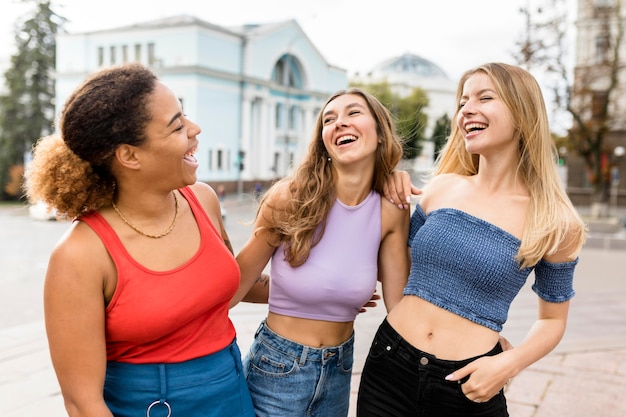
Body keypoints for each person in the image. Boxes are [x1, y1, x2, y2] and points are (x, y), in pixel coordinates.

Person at [357, 62, 588, 416]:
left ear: (523, 113)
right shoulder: (441, 188)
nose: (467, 109)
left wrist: (509, 364)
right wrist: (386, 188)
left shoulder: (555, 220)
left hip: (470, 384)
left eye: (485, 97)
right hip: (389, 366)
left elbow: (553, 320)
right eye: (463, 101)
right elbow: (393, 266)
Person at [24, 63, 254, 417]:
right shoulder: (80, 255)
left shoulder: (202, 199)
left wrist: (321, 291)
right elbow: (82, 403)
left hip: (233, 394)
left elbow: (224, 285)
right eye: (177, 126)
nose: (195, 129)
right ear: (129, 155)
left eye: (185, 116)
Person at [231, 87, 411, 416]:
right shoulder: (290, 197)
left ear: (381, 132)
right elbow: (235, 284)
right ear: (323, 141)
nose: (340, 122)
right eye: (329, 119)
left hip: (340, 370)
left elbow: (400, 311)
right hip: (276, 366)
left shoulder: (391, 209)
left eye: (353, 113)